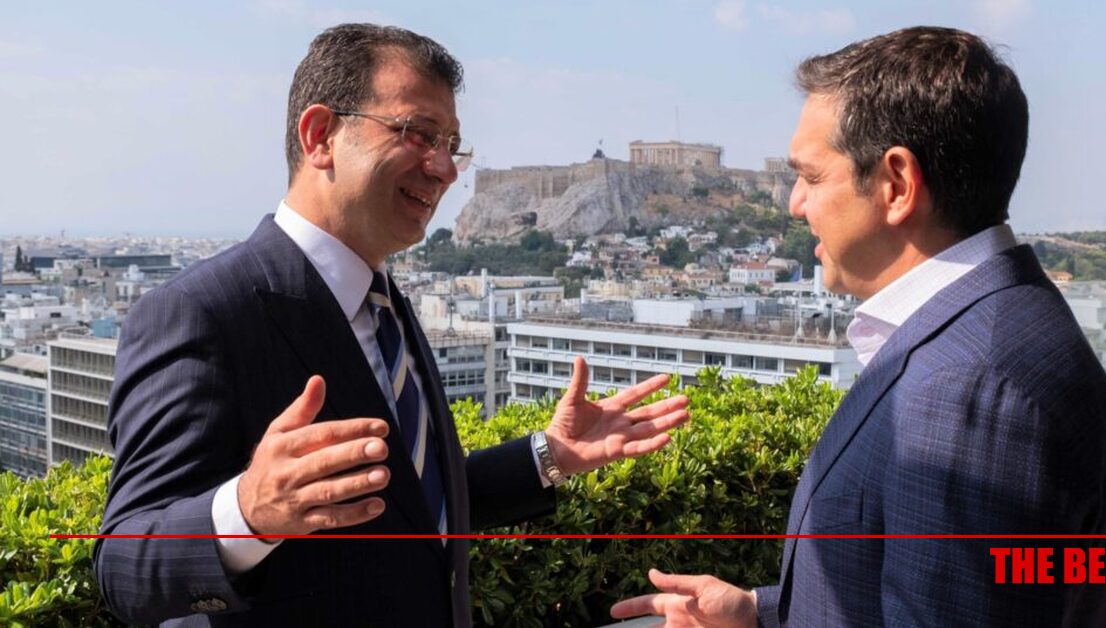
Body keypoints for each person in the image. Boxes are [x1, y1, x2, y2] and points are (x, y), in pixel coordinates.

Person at [93, 23, 689, 627]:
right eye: (418, 134)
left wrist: (548, 455)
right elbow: (123, 567)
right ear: (320, 136)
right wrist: (247, 513)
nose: (445, 169)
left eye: (452, 144)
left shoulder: (383, 301)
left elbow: (408, 503)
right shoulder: (201, 311)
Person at [611, 26, 1106, 627]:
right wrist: (759, 613)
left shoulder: (968, 391)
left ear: (897, 185)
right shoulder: (991, 329)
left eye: (811, 177)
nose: (793, 204)